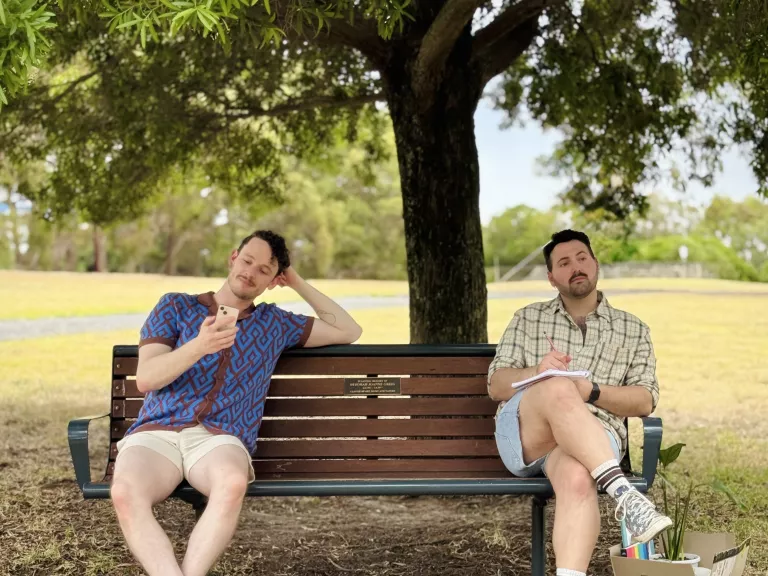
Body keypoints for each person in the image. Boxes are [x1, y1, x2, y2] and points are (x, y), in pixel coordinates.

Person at [110, 230, 363, 576]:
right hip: (157, 433)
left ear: (273, 280)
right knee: (124, 492)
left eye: (264, 270)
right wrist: (200, 346)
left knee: (231, 484)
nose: (250, 272)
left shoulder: (275, 323)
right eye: (247, 261)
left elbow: (348, 330)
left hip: (220, 438)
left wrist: (296, 282)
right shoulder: (175, 306)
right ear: (233, 258)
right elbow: (147, 378)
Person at [488, 229, 672, 576]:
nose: (575, 267)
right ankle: (625, 494)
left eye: (582, 258)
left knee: (576, 478)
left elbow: (645, 400)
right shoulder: (527, 318)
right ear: (551, 277)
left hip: (592, 442)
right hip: (529, 434)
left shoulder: (633, 329)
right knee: (558, 385)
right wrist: (539, 370)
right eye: (564, 262)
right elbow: (496, 386)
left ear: (596, 264)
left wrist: (592, 392)